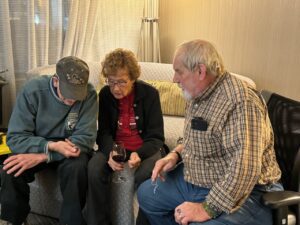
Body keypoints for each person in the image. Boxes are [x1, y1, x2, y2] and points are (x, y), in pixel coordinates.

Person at [137, 39, 283, 225]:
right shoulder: (197, 93)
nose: (174, 79)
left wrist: (206, 208)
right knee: (147, 195)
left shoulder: (240, 102)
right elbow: (193, 137)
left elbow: (245, 169)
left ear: (200, 71)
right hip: (198, 179)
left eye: (179, 71)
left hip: (247, 191)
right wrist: (174, 154)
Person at [0, 56, 98, 225]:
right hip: (38, 143)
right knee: (10, 169)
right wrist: (49, 146)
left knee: (77, 167)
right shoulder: (32, 91)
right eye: (67, 94)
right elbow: (15, 137)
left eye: (77, 95)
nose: (72, 100)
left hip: (69, 149)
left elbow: (86, 138)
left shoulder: (89, 94)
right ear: (55, 81)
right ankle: (15, 220)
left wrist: (46, 156)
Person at [84, 48, 165, 225]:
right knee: (94, 168)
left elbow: (157, 137)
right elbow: (103, 132)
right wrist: (110, 153)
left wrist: (140, 154)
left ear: (133, 78)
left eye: (122, 82)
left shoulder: (150, 94)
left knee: (146, 175)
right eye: (111, 82)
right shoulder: (105, 94)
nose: (116, 88)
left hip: (144, 148)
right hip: (117, 147)